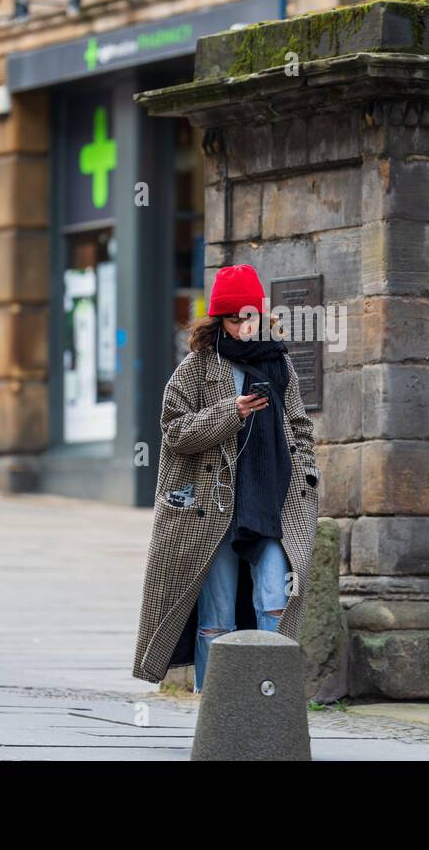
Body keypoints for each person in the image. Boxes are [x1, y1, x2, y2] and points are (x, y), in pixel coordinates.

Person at [130, 263, 321, 693]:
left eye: (250, 316)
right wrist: (229, 412)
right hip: (212, 510)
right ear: (219, 321)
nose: (244, 326)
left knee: (275, 602)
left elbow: (300, 426)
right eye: (235, 319)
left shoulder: (279, 364)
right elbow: (174, 431)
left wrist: (307, 474)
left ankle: (269, 703)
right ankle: (216, 710)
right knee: (216, 618)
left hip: (272, 502)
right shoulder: (196, 368)